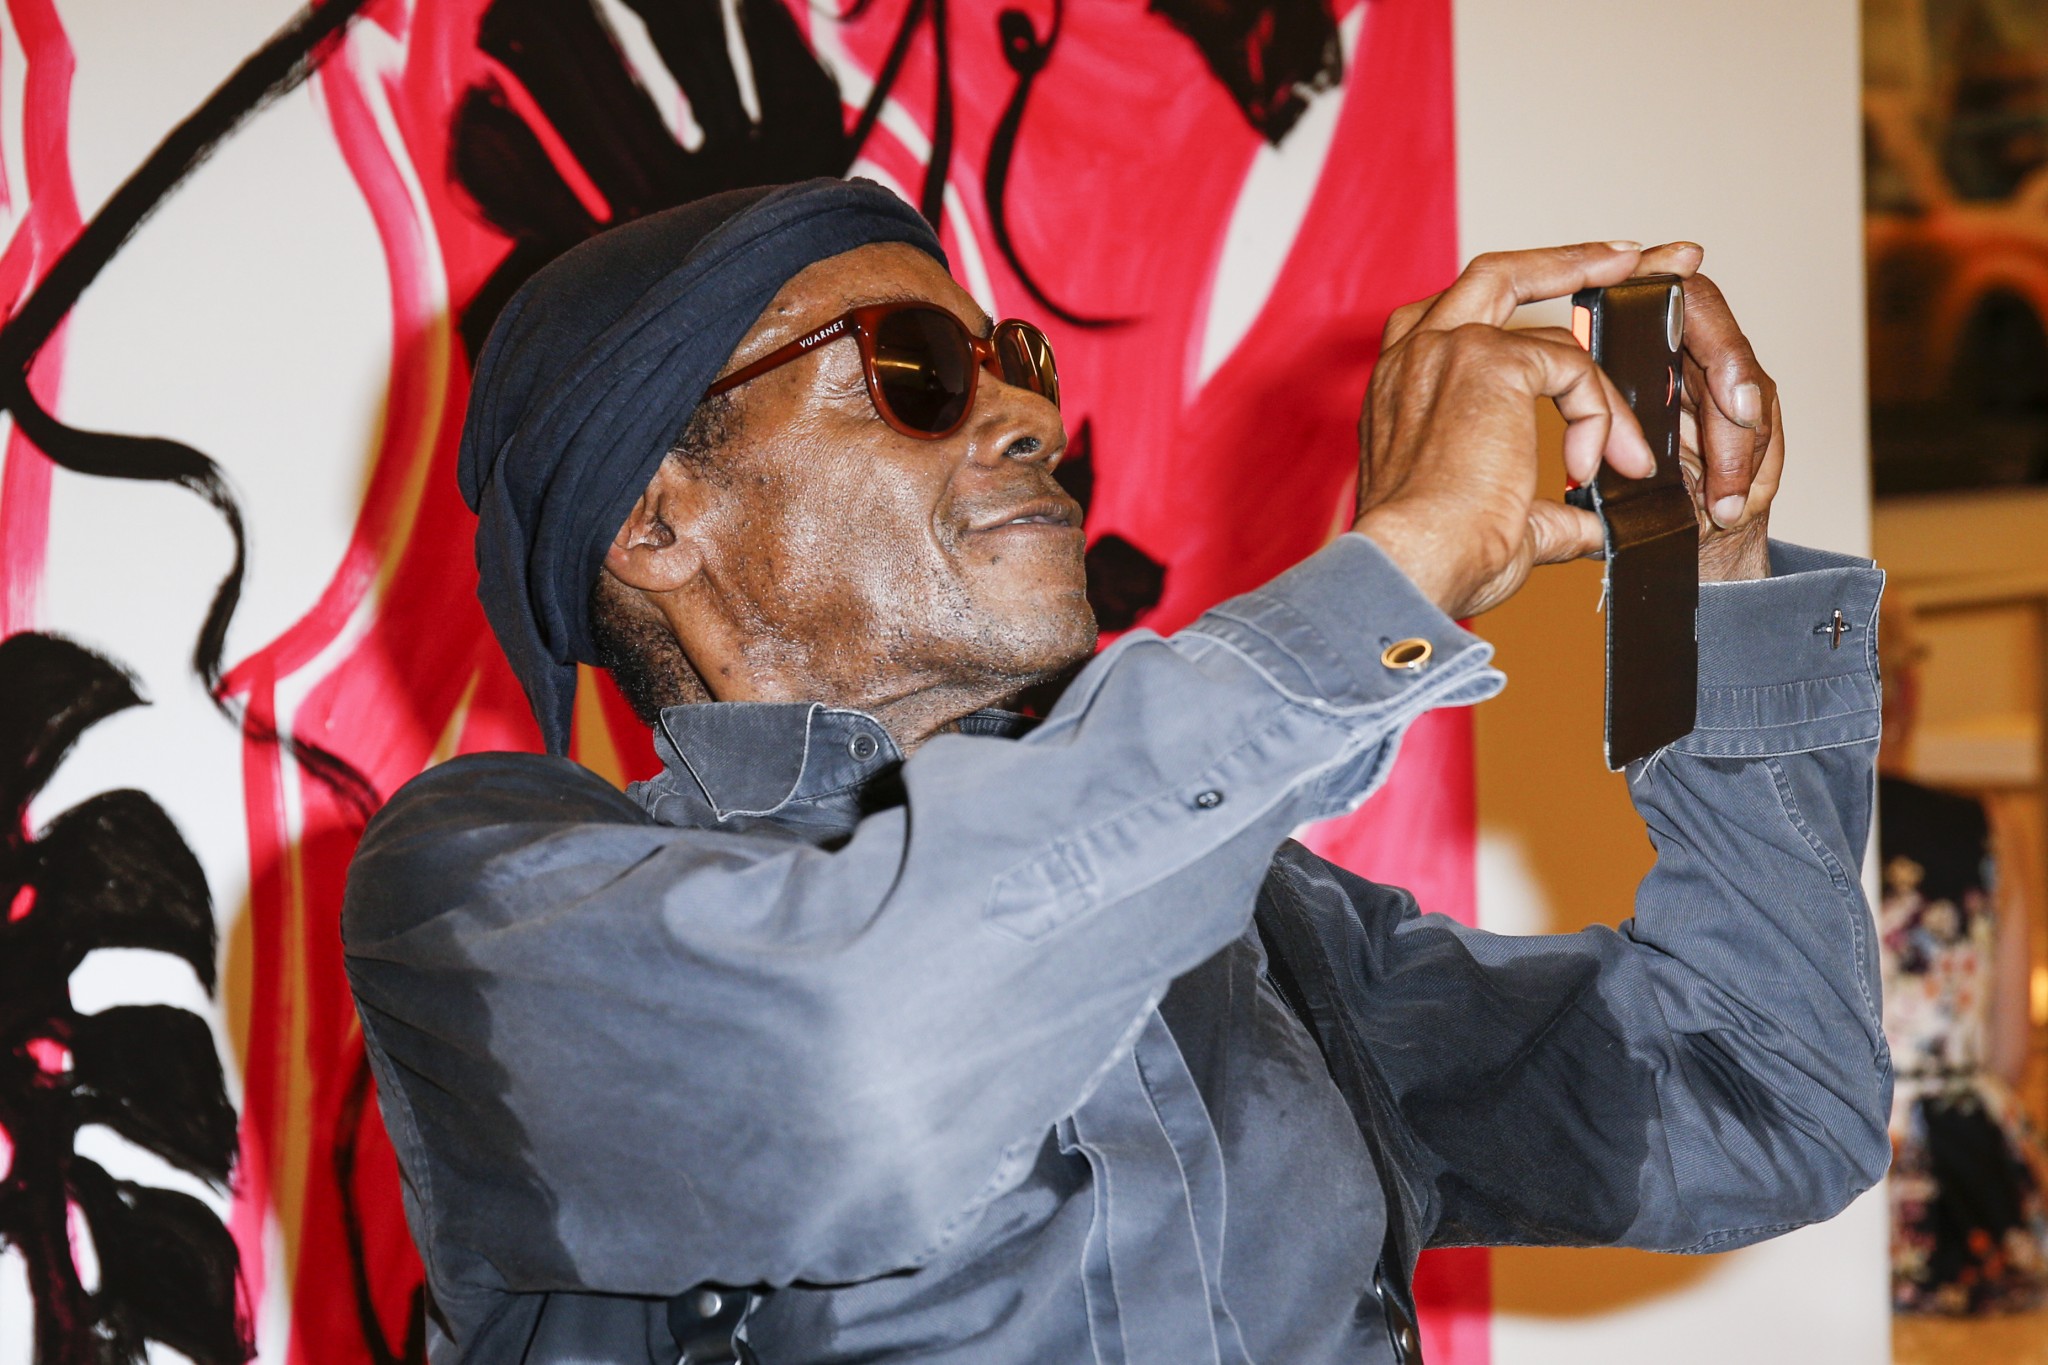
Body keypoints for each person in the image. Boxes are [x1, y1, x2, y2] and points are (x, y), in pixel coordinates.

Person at [342, 178, 1891, 1364]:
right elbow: (863, 1062)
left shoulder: (1256, 927)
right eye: (915, 367)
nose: (1029, 411)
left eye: (1015, 359)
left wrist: (1704, 580)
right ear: (660, 522)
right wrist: (1395, 567)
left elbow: (1764, 1094)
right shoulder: (492, 898)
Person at [1879, 594, 2048, 1313]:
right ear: (1907, 692)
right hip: (1970, 1168)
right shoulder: (1991, 825)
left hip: (1845, 1163)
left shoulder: (1782, 839)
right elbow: (2010, 1052)